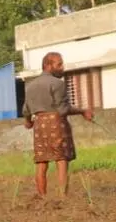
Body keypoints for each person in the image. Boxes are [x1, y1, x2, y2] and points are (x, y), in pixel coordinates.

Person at [21, 52, 94, 197]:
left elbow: (26, 110)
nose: (62, 67)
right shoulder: (58, 84)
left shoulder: (30, 86)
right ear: (48, 65)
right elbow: (63, 109)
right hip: (56, 123)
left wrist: (28, 122)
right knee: (61, 160)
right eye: (59, 64)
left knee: (41, 162)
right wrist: (82, 111)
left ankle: (43, 197)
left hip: (39, 125)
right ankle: (62, 196)